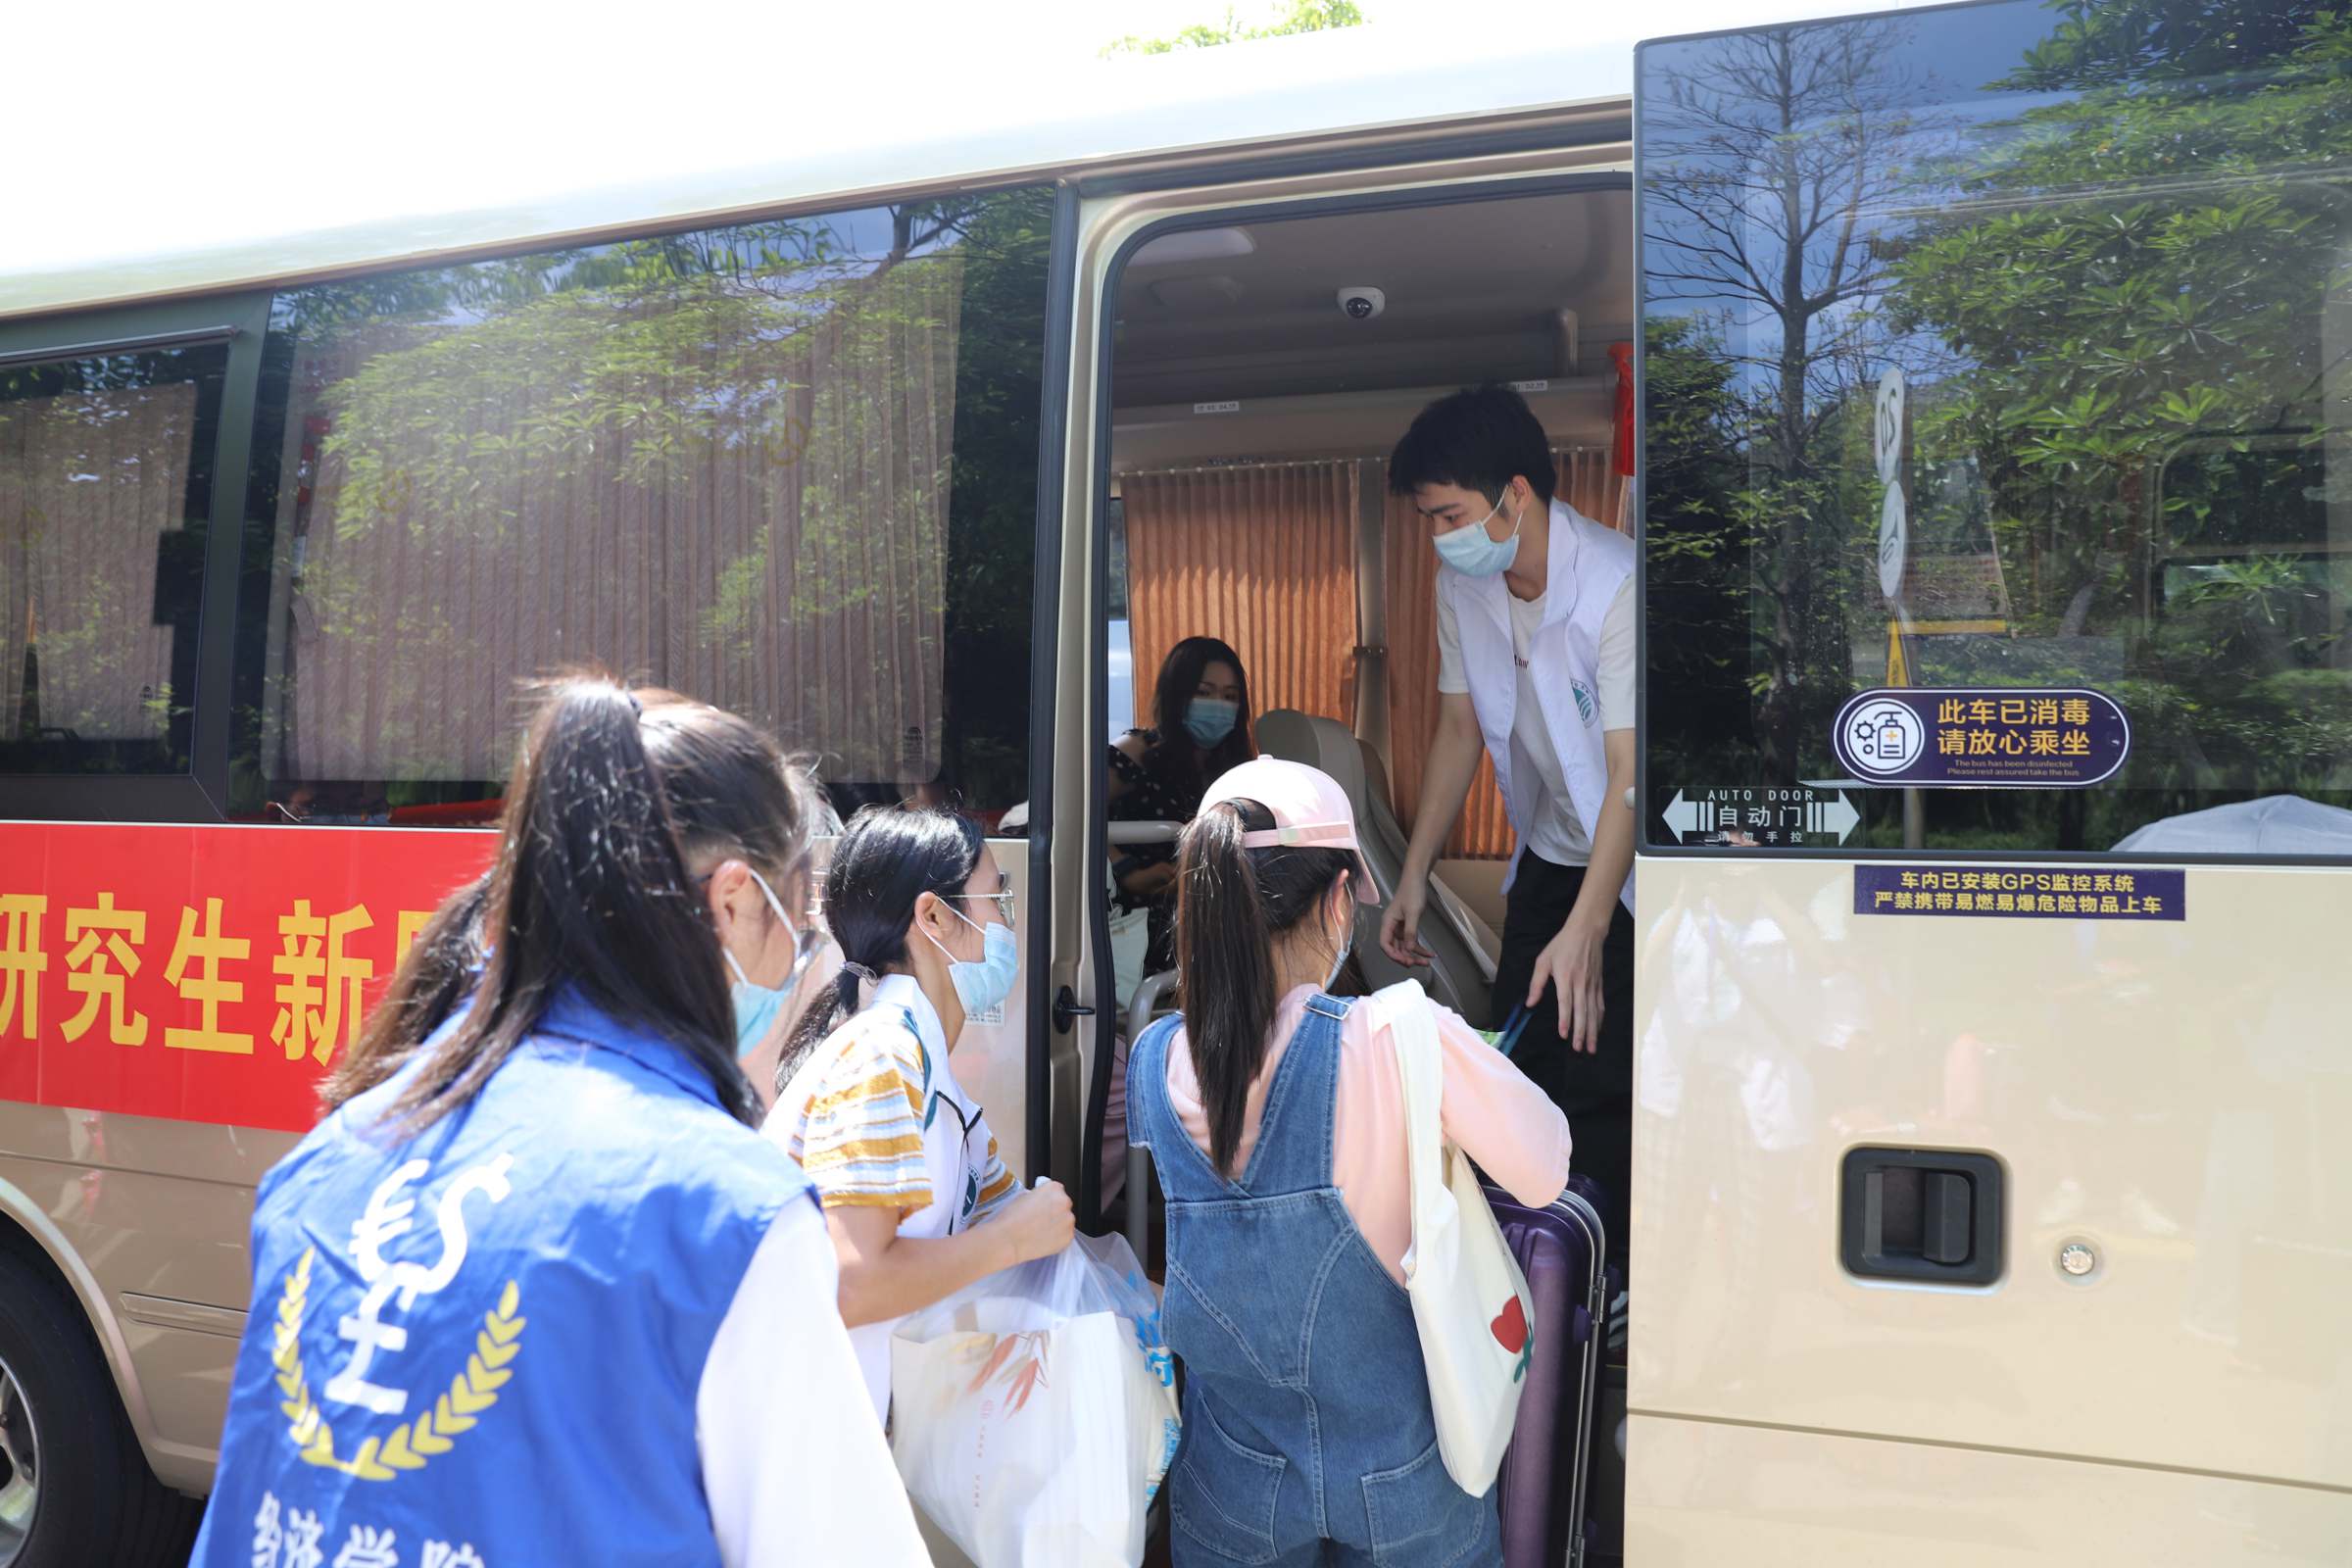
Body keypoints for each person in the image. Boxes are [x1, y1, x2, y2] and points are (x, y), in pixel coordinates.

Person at [190, 679, 926, 1568]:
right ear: (733, 901)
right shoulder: (724, 1213)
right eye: (796, 929)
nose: (798, 966)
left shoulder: (339, 1148)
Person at [1128, 758, 1571, 1567]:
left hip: (1234, 1482)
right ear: (1338, 900)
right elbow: (1545, 1169)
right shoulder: (1399, 1035)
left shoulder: (1153, 1056)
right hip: (1404, 1478)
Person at [1378, 384, 1639, 1261]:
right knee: (1519, 1071)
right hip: (1552, 853)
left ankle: (1604, 1283)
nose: (1439, 536)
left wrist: (1590, 930)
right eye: (1428, 519)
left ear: (1516, 493)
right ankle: (1523, 1272)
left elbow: (1630, 774)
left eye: (1450, 514)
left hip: (1626, 871)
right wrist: (1414, 875)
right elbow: (1458, 729)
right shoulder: (1463, 585)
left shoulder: (1615, 584)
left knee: (1601, 1076)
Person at [770, 803, 1075, 1424]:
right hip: (810, 1430)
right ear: (934, 916)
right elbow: (853, 1281)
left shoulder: (937, 1084)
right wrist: (1014, 1238)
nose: (1006, 925)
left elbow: (1019, 1226)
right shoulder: (883, 1058)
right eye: (997, 901)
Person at [1108, 635, 1258, 975]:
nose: (1218, 705)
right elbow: (1074, 817)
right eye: (1204, 693)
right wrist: (1127, 871)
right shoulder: (1136, 750)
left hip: (1210, 914)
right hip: (1140, 923)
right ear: (1177, 695)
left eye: (1230, 697)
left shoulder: (1237, 766)